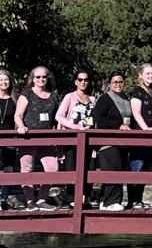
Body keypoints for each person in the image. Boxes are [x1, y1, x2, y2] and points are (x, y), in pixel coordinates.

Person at [14, 66, 60, 211]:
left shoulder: (53, 97)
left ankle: (41, 200)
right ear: (33, 79)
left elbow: (57, 119)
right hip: (29, 137)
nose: (41, 79)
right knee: (27, 169)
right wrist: (21, 126)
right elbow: (18, 115)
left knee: (52, 168)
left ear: (48, 78)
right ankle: (30, 201)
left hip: (47, 138)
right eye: (38, 77)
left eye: (44, 77)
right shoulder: (26, 95)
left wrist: (60, 135)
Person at [91, 71, 134, 211]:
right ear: (110, 84)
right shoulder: (105, 99)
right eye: (115, 82)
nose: (118, 84)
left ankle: (104, 200)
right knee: (113, 171)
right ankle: (112, 202)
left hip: (123, 143)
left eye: (120, 81)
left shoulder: (126, 98)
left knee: (119, 169)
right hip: (108, 142)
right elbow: (98, 117)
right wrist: (117, 126)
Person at [55, 69, 96, 208]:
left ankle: (86, 198)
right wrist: (74, 126)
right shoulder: (69, 97)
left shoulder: (92, 99)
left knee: (89, 167)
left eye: (86, 80)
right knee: (71, 167)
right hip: (72, 139)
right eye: (80, 80)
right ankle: (72, 199)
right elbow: (59, 116)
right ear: (75, 82)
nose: (83, 82)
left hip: (89, 140)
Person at [128, 63, 152, 210]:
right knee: (137, 166)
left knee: (145, 166)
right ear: (141, 75)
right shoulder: (137, 91)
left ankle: (138, 199)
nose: (151, 76)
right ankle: (132, 200)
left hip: (151, 137)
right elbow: (136, 113)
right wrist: (145, 128)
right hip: (140, 135)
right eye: (147, 73)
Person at [0, 68, 17, 211]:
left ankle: (4, 199)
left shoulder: (14, 100)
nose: (4, 82)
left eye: (6, 79)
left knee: (9, 168)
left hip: (9, 138)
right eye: (1, 80)